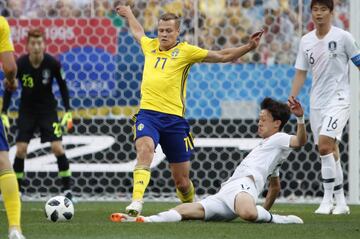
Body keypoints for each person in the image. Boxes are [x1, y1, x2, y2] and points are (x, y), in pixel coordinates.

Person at [114, 5, 264, 217]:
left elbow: (221, 55)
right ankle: (136, 201)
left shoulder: (186, 51)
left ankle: (190, 204)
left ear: (177, 32)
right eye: (161, 30)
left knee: (182, 182)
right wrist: (129, 14)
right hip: (148, 115)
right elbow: (138, 32)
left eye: (168, 30)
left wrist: (248, 47)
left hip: (175, 121)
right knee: (145, 149)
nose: (163, 34)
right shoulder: (150, 46)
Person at [110, 97, 307, 224]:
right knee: (188, 210)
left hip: (244, 187)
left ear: (277, 123)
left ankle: (280, 220)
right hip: (227, 191)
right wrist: (263, 212)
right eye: (259, 118)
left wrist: (300, 119)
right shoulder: (270, 150)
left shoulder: (279, 139)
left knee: (248, 213)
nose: (259, 122)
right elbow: (275, 187)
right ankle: (146, 219)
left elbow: (299, 141)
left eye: (263, 119)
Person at [289, 0, 360, 215]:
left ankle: (326, 199)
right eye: (315, 10)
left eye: (323, 10)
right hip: (316, 101)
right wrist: (292, 96)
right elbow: (301, 71)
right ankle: (341, 202)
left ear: (331, 12)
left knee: (323, 146)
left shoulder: (343, 37)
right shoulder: (306, 41)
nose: (318, 14)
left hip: (339, 98)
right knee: (330, 149)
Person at [1, 28, 74, 201]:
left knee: (57, 147)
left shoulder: (53, 63)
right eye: (33, 43)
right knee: (21, 150)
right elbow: (10, 86)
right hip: (26, 110)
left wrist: (68, 110)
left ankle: (67, 188)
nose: (36, 46)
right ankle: (17, 190)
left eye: (39, 43)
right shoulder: (20, 64)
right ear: (27, 45)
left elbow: (63, 86)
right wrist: (4, 111)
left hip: (48, 110)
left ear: (44, 44)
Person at [0, 16, 25, 239]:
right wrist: (11, 80)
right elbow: (9, 67)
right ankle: (14, 228)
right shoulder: (0, 23)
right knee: (3, 162)